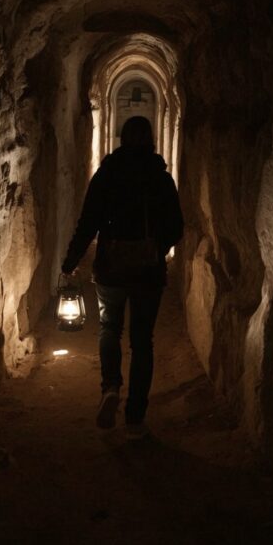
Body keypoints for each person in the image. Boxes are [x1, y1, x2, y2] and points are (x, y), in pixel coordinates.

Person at [61, 115, 184, 439]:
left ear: (121, 138)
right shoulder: (161, 180)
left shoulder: (106, 175)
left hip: (110, 268)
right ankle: (134, 417)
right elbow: (176, 227)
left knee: (109, 328)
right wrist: (157, 246)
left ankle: (111, 386)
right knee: (142, 340)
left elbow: (88, 222)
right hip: (147, 272)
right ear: (152, 139)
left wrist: (71, 260)